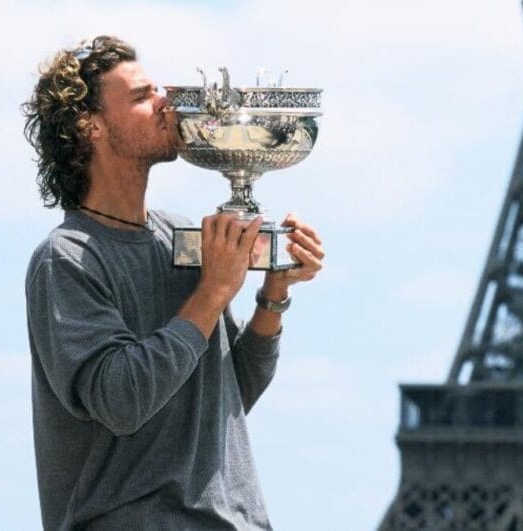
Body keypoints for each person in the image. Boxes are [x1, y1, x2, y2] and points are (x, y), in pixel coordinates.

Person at [22, 35, 324, 530]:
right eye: (141, 97)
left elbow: (230, 394)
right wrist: (211, 293)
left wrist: (273, 294)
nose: (166, 103)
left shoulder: (178, 235)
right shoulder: (67, 259)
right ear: (89, 126)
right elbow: (121, 401)